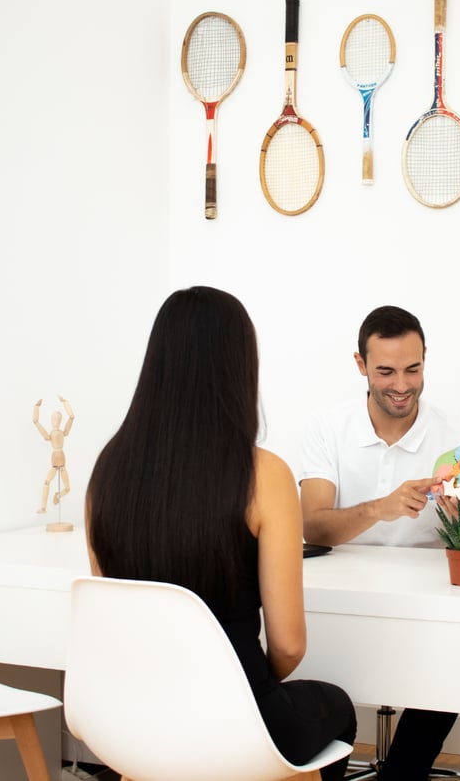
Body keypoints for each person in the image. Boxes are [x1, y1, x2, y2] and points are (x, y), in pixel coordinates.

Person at [86, 286, 356, 778]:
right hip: (233, 723)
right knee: (337, 708)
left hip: (137, 722)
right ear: (239, 367)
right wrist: (235, 689)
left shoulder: (107, 472)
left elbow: (113, 619)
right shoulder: (263, 474)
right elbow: (289, 645)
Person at [300, 304, 460, 781]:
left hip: (430, 610)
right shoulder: (328, 426)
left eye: (413, 369)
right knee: (303, 663)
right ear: (360, 365)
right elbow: (312, 527)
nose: (402, 385)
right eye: (386, 371)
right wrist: (381, 507)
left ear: (425, 361)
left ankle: (402, 773)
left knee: (453, 656)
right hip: (343, 603)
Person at [33, 396, 74, 513]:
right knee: (47, 481)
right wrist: (36, 407)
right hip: (56, 459)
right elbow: (36, 422)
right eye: (54, 419)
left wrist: (65, 401)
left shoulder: (60, 433)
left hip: (61, 459)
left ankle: (57, 495)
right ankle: (43, 507)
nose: (55, 421)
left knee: (67, 488)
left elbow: (71, 417)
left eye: (57, 419)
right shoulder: (56, 433)